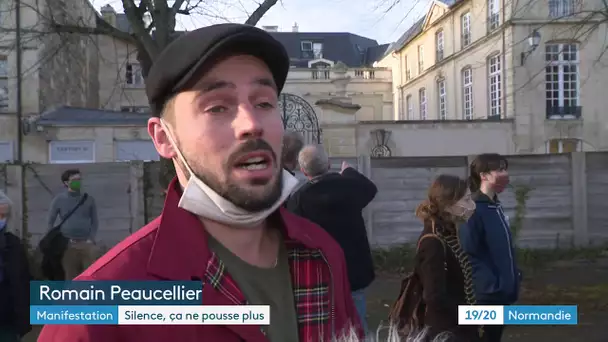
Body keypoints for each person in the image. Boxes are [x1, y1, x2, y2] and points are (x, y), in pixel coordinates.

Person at [39, 23, 361, 342]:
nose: (251, 124)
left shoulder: (323, 254)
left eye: (264, 103)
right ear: (164, 138)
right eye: (217, 107)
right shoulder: (95, 306)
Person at [286, 144, 377, 335]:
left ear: (303, 170)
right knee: (357, 323)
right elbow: (369, 189)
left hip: (321, 271)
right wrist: (350, 171)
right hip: (355, 270)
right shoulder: (349, 186)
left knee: (325, 325)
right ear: (328, 164)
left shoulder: (299, 199)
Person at [459, 154, 521, 342]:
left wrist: (513, 278)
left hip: (503, 294)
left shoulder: (496, 208)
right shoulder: (473, 209)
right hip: (486, 296)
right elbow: (468, 251)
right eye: (499, 170)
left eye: (505, 169)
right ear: (484, 175)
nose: (505, 174)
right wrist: (492, 284)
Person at [414, 175, 481, 342]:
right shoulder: (433, 242)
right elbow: (434, 296)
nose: (472, 205)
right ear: (449, 205)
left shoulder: (448, 233)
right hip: (447, 332)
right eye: (466, 200)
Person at [46, 168, 99, 280]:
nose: (78, 182)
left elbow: (95, 221)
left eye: (79, 179)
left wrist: (91, 238)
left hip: (86, 243)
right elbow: (50, 221)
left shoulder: (89, 199)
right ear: (66, 183)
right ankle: (72, 297)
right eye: (74, 180)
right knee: (70, 276)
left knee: (90, 276)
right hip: (68, 244)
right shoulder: (59, 200)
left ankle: (90, 297)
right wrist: (52, 241)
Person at [0, 190, 31, 341]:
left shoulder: (13, 244)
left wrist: (24, 323)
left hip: (8, 320)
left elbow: (22, 284)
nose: (2, 220)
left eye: (4, 216)